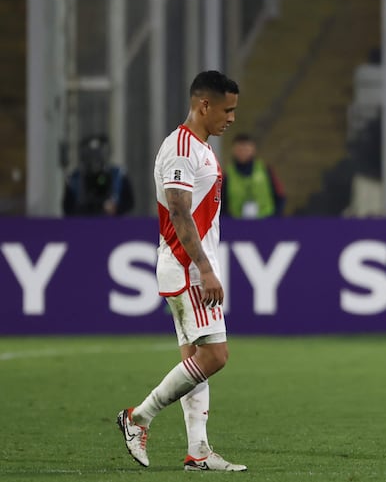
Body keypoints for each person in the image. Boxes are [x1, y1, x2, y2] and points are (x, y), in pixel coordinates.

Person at [116, 70, 246, 472]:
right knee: (215, 355)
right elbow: (178, 211)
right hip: (188, 270)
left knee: (194, 360)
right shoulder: (180, 148)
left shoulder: (202, 149)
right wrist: (206, 269)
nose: (232, 118)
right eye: (227, 109)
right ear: (203, 105)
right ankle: (138, 416)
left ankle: (199, 452)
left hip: (189, 268)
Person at [62, 134, 134, 216]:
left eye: (99, 154)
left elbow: (129, 202)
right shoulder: (75, 179)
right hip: (83, 224)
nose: (95, 158)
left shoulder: (119, 175)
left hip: (113, 224)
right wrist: (82, 209)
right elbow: (67, 208)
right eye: (90, 154)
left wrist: (116, 208)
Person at [222, 132, 286, 218]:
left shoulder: (265, 170)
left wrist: (275, 217)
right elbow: (221, 202)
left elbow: (280, 195)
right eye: (240, 149)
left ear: (253, 149)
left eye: (246, 149)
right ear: (234, 150)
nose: (243, 153)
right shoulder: (228, 175)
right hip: (237, 225)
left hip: (266, 222)